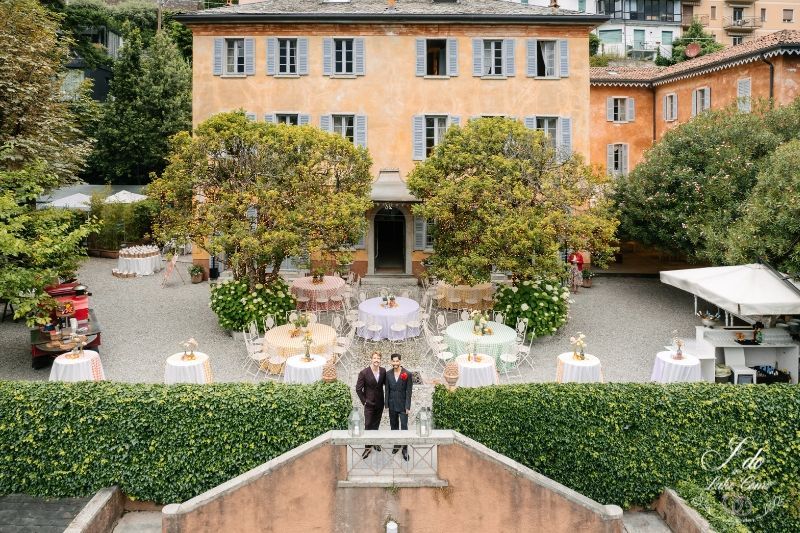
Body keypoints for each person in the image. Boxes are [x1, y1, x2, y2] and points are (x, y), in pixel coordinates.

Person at [355, 351, 386, 458]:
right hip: (369, 404)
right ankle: (367, 447)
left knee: (376, 424)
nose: (376, 360)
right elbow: (358, 389)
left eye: (378, 358)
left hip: (380, 402)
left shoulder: (383, 371)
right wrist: (365, 401)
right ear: (371, 359)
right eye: (374, 358)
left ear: (380, 360)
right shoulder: (364, 373)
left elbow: (386, 384)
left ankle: (375, 441)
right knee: (368, 424)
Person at [384, 353, 413, 461]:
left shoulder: (407, 374)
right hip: (392, 404)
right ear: (391, 362)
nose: (395, 363)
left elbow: (408, 391)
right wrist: (386, 404)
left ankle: (405, 448)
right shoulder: (388, 374)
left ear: (400, 361)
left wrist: (407, 406)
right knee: (394, 425)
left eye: (397, 361)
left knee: (404, 426)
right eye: (393, 361)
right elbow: (387, 389)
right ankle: (396, 444)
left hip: (403, 405)